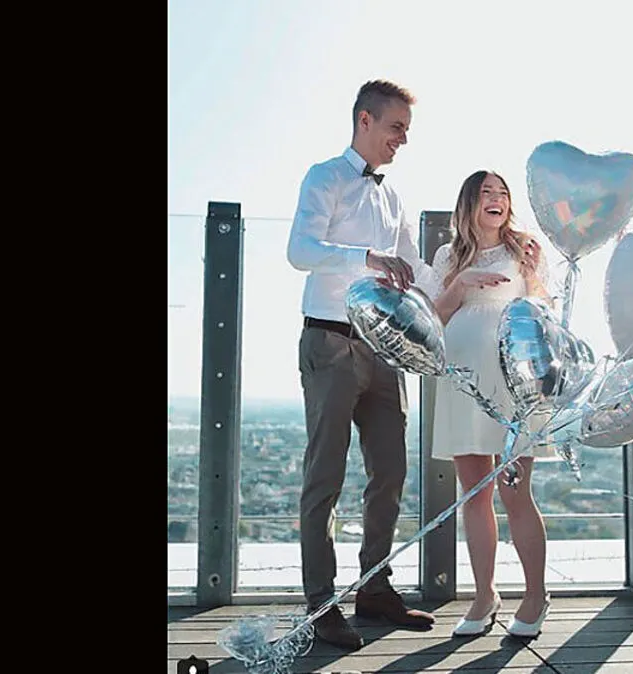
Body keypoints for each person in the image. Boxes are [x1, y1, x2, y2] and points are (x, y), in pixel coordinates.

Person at [285, 79, 440, 651]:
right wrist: (365, 259)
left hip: (384, 348)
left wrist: (463, 283)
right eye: (396, 127)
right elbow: (300, 252)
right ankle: (321, 605)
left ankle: (374, 591)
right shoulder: (324, 177)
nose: (403, 139)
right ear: (365, 121)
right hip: (329, 342)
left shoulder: (393, 195)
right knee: (324, 478)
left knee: (390, 473)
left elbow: (415, 269)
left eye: (406, 130)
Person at [429, 170, 558, 638]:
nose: (497, 199)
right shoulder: (449, 256)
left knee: (515, 491)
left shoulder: (523, 248)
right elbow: (434, 321)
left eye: (503, 193)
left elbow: (543, 305)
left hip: (512, 383)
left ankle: (535, 594)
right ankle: (484, 596)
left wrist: (533, 271)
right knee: (474, 495)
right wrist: (460, 284)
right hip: (463, 383)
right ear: (469, 203)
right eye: (487, 192)